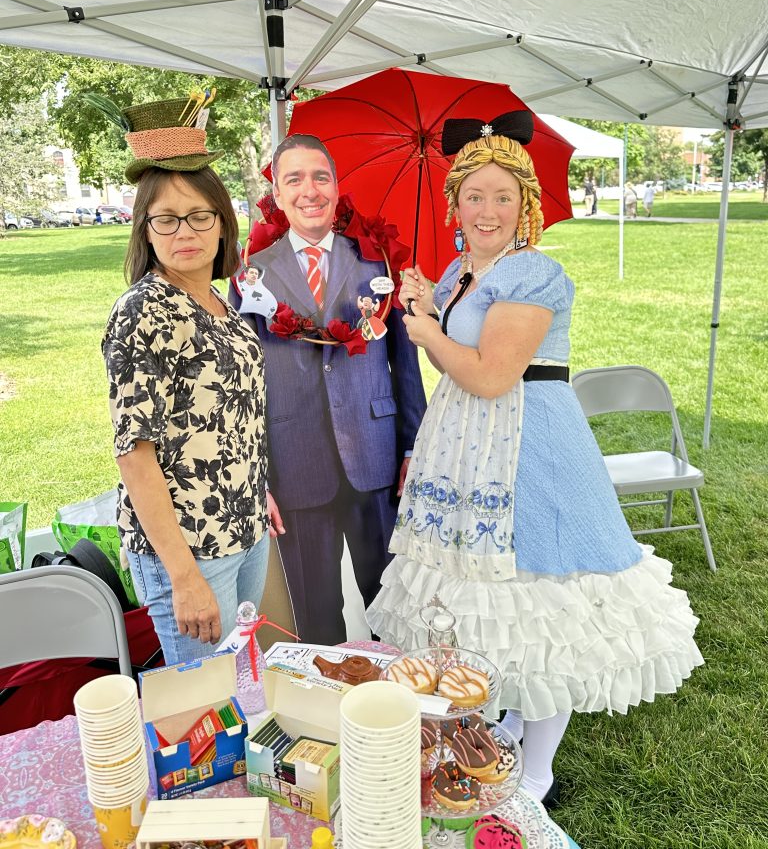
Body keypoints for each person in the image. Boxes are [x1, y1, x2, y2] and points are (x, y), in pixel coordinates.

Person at [367, 117, 703, 806]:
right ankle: (509, 726)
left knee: (540, 597)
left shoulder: (535, 272)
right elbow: (464, 357)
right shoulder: (466, 272)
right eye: (473, 197)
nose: (486, 211)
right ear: (454, 205)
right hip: (469, 447)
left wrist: (429, 331)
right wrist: (433, 306)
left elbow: (492, 375)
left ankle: (539, 767)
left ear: (526, 206)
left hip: (530, 447)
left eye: (502, 197)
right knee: (485, 597)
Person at [231, 133, 427, 645]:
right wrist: (257, 475)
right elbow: (244, 386)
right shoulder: (252, 274)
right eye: (293, 179)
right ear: (276, 193)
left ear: (337, 187)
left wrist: (413, 444)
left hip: (375, 458)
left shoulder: (376, 262)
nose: (309, 190)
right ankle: (330, 715)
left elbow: (405, 363)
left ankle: (395, 711)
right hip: (294, 463)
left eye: (320, 177)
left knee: (391, 603)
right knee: (317, 617)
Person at [102, 98, 276, 665]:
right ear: (145, 230)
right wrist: (183, 577)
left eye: (200, 215)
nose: (186, 231)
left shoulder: (217, 302)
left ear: (223, 222)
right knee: (205, 712)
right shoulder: (143, 311)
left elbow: (226, 420)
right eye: (167, 219)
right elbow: (135, 455)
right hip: (191, 550)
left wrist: (257, 489)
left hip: (243, 531)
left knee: (237, 692)